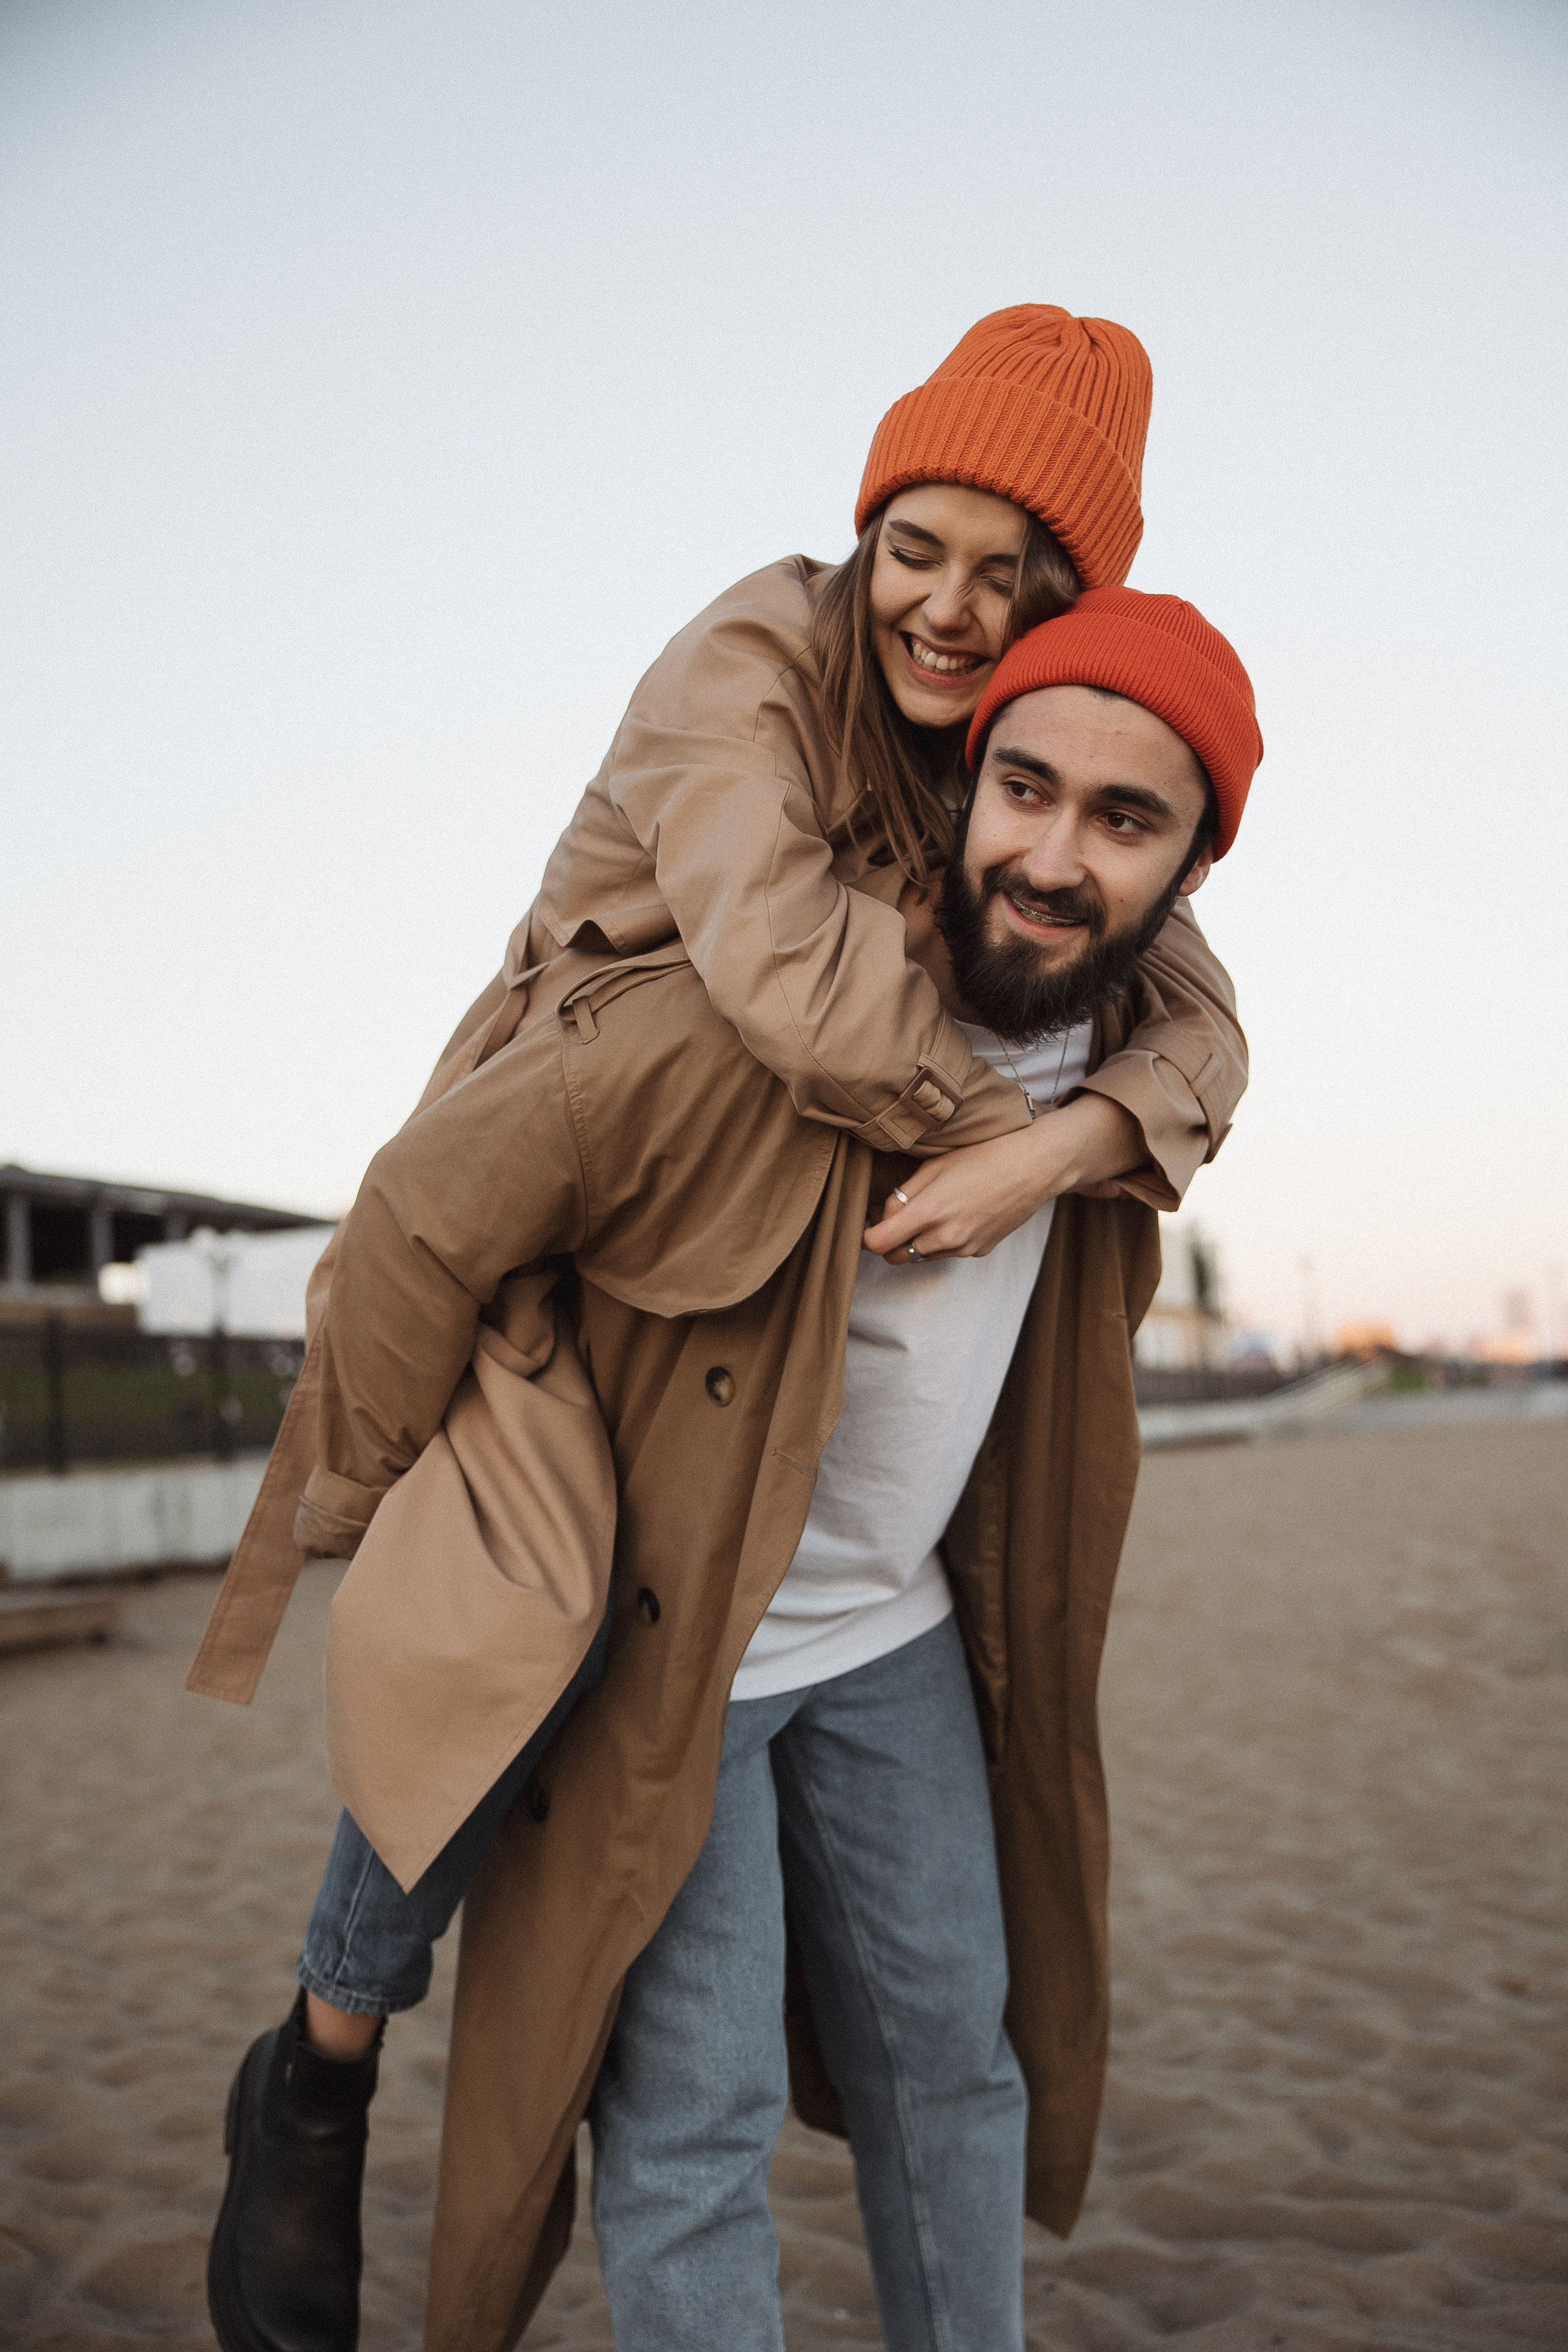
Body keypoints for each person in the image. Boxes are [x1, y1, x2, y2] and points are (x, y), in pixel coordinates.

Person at [195, 311, 1246, 2352]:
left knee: (956, 2051)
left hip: (869, 1604)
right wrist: (391, 1513)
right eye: (922, 546)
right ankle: (317, 2073)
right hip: (566, 1232)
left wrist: (1073, 1146)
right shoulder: (750, 670)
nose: (954, 606)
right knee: (485, 1678)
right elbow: (768, 964)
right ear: (866, 526)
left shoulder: (1031, 813)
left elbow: (1201, 1007)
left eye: (1017, 579)